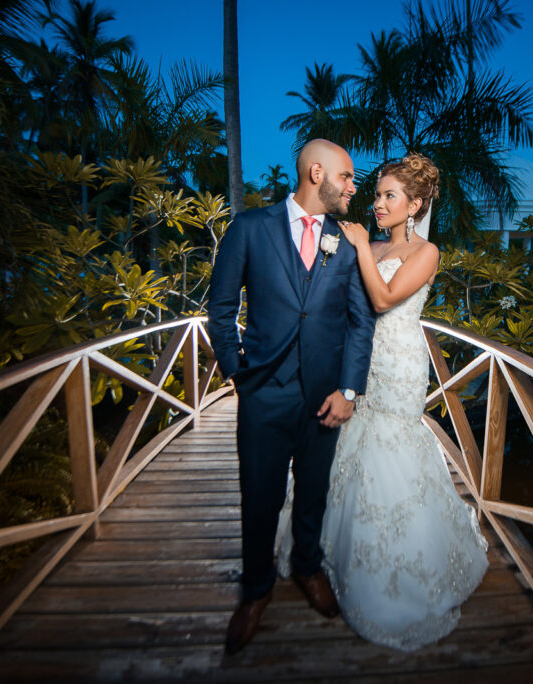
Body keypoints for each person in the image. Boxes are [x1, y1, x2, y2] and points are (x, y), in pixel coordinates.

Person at [305, 152, 489, 651]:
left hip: (400, 364)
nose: (378, 202)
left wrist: (362, 245)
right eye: (378, 193)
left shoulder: (425, 252)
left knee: (392, 446)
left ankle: (398, 571)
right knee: (352, 446)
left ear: (416, 205)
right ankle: (336, 549)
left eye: (389, 195)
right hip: (359, 360)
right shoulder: (373, 241)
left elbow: (385, 299)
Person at [208, 139, 377, 655]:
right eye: (347, 177)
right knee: (259, 499)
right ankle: (256, 591)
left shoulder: (346, 242)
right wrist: (242, 374)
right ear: (317, 172)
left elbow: (359, 322)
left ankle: (308, 569)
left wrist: (349, 389)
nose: (353, 186)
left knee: (314, 494)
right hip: (264, 396)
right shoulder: (249, 229)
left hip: (325, 398)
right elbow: (218, 311)